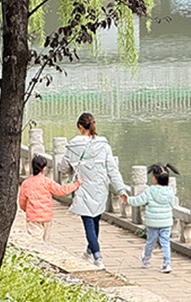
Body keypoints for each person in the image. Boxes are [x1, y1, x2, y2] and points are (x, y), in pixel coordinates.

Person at [59, 112, 129, 269]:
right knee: (95, 220)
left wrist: (73, 169)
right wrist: (121, 190)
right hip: (100, 188)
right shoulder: (104, 146)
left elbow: (63, 168)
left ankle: (97, 257)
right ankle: (90, 251)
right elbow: (112, 170)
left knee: (89, 223)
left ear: (80, 126)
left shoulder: (73, 147)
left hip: (83, 188)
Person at [128, 163, 179, 273]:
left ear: (155, 178)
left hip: (152, 222)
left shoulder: (150, 190)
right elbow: (172, 204)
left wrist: (127, 199)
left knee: (150, 242)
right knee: (165, 242)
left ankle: (146, 260)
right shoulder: (170, 191)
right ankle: (167, 263)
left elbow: (138, 201)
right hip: (166, 222)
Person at [18, 154, 82, 242]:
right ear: (44, 168)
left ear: (32, 167)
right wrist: (76, 184)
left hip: (33, 217)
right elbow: (61, 190)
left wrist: (27, 209)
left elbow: (22, 201)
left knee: (34, 241)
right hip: (46, 216)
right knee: (45, 241)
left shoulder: (26, 183)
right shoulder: (47, 182)